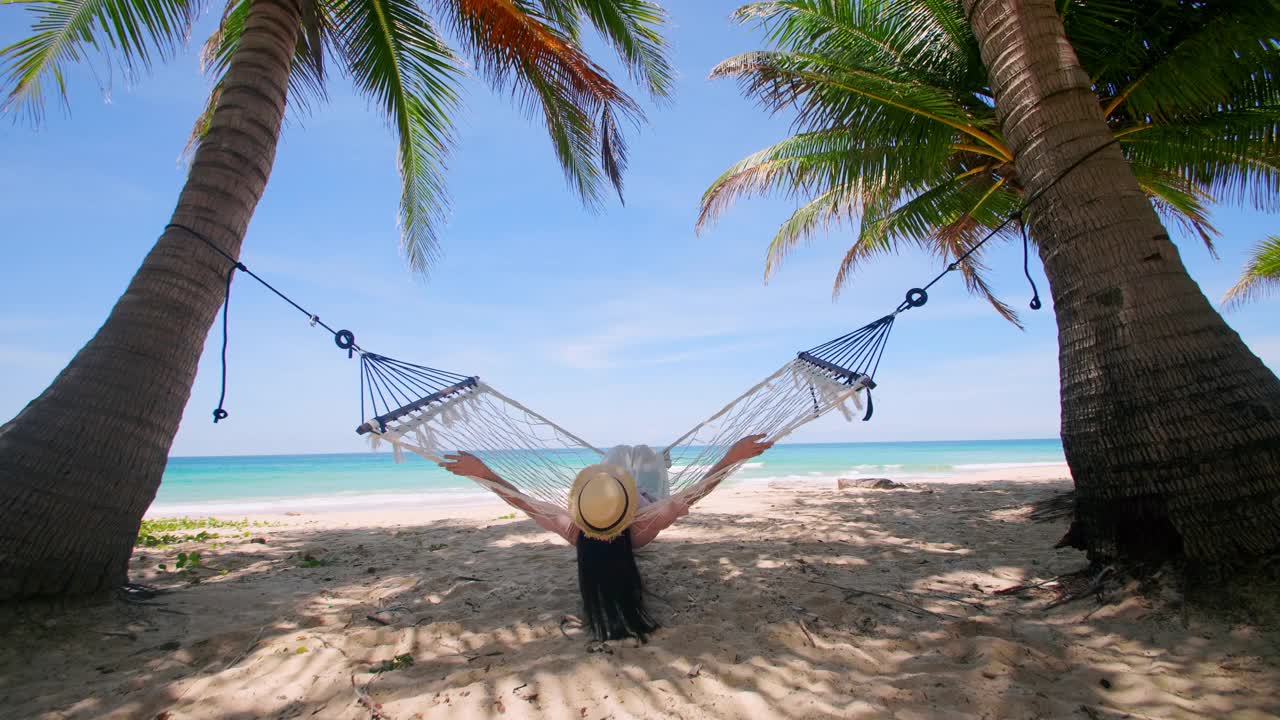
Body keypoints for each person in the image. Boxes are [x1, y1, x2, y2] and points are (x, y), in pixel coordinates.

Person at [440, 434, 772, 642]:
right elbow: (695, 493)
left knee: (618, 451)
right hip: (651, 494)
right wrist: (733, 457)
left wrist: (481, 472)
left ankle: (634, 465)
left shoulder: (573, 527)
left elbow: (521, 501)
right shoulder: (644, 525)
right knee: (642, 453)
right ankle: (658, 462)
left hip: (616, 497)